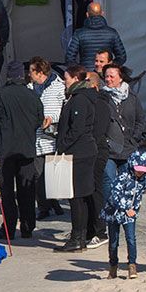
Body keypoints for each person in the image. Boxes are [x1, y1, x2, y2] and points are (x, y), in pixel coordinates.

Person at [0, 59, 42, 239]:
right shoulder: (32, 95)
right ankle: (27, 226)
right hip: (26, 148)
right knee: (27, 189)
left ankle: (9, 227)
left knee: (7, 191)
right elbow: (39, 120)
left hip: (5, 149)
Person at [101, 150, 146, 279]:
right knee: (113, 242)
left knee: (131, 239)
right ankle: (113, 266)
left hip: (130, 215)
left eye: (143, 170)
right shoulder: (123, 177)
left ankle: (132, 265)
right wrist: (126, 208)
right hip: (115, 213)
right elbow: (115, 195)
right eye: (138, 170)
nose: (140, 173)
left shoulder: (144, 179)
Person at [55, 65, 105, 252]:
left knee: (76, 197)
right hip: (81, 151)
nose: (64, 82)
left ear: (76, 79)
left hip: (80, 153)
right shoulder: (78, 97)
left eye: (66, 78)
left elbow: (77, 128)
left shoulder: (80, 99)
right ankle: (80, 236)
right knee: (79, 196)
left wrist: (62, 145)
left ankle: (78, 237)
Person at [31, 57, 66, 217]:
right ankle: (44, 207)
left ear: (39, 72)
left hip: (52, 137)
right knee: (38, 174)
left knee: (51, 174)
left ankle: (53, 202)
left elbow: (64, 109)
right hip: (36, 137)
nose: (29, 74)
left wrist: (52, 118)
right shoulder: (30, 87)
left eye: (31, 71)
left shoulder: (58, 86)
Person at [102, 63, 145, 190]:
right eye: (106, 76)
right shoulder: (102, 96)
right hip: (109, 149)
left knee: (127, 182)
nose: (108, 79)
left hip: (128, 147)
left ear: (120, 78)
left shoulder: (132, 97)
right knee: (109, 180)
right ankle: (109, 203)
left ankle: (124, 203)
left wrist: (135, 138)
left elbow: (140, 119)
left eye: (112, 76)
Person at [65, 2, 127, 67]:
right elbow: (122, 57)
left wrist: (80, 70)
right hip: (105, 71)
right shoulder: (112, 32)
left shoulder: (79, 33)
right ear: (102, 13)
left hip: (86, 71)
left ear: (87, 14)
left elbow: (69, 58)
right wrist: (109, 66)